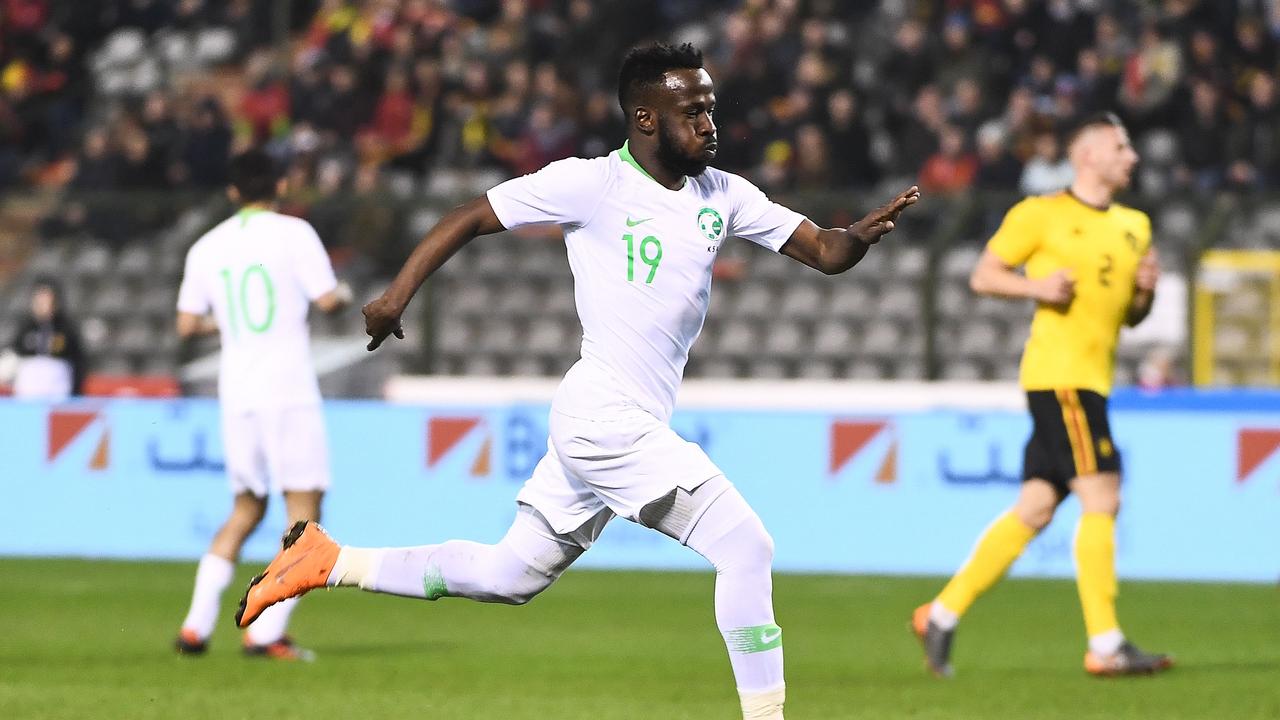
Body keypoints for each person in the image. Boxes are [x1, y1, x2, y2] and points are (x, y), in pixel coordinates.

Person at [235, 43, 918, 719]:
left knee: (511, 576)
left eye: (712, 109)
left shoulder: (724, 194)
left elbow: (825, 251)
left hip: (625, 420)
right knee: (746, 545)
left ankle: (330, 561)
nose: (711, 124)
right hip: (603, 414)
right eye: (694, 112)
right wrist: (395, 296)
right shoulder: (593, 184)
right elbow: (472, 216)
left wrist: (857, 234)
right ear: (646, 119)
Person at [912, 112, 1172, 678]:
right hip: (1062, 379)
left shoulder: (1135, 226)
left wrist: (1145, 295)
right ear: (1089, 156)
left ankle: (942, 613)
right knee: (1103, 497)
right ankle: (1105, 645)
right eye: (1120, 146)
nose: (1132, 156)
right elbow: (984, 275)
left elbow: (1130, 316)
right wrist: (1037, 287)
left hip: (1090, 380)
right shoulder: (1042, 214)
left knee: (1035, 507)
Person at [173, 150, 350, 660]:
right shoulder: (295, 234)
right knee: (306, 514)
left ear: (231, 192)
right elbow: (328, 301)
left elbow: (187, 325)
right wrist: (345, 292)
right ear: (280, 185)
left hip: (237, 395)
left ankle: (195, 626)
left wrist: (225, 323)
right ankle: (266, 631)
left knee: (245, 509)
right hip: (287, 390)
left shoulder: (207, 245)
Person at [6, 277, 84, 400]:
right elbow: (15, 354)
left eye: (46, 301)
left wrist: (76, 391)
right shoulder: (25, 329)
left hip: (57, 389)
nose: (42, 305)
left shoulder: (66, 330)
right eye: (39, 301)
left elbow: (78, 361)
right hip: (29, 390)